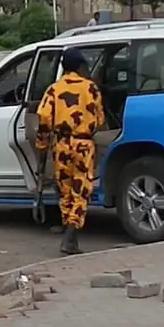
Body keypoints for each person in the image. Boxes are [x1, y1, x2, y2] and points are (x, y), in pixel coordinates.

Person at [34, 47, 104, 255]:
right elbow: (99, 119)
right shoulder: (90, 88)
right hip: (83, 145)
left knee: (65, 190)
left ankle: (69, 232)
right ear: (81, 66)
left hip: (61, 145)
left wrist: (42, 151)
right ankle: (70, 238)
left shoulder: (54, 89)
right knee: (81, 191)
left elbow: (43, 119)